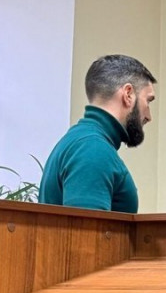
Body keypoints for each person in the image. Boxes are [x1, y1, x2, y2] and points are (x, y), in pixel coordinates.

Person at [39, 54, 156, 213]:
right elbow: (85, 229)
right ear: (128, 94)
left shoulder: (82, 140)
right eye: (148, 101)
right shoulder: (93, 149)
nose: (149, 116)